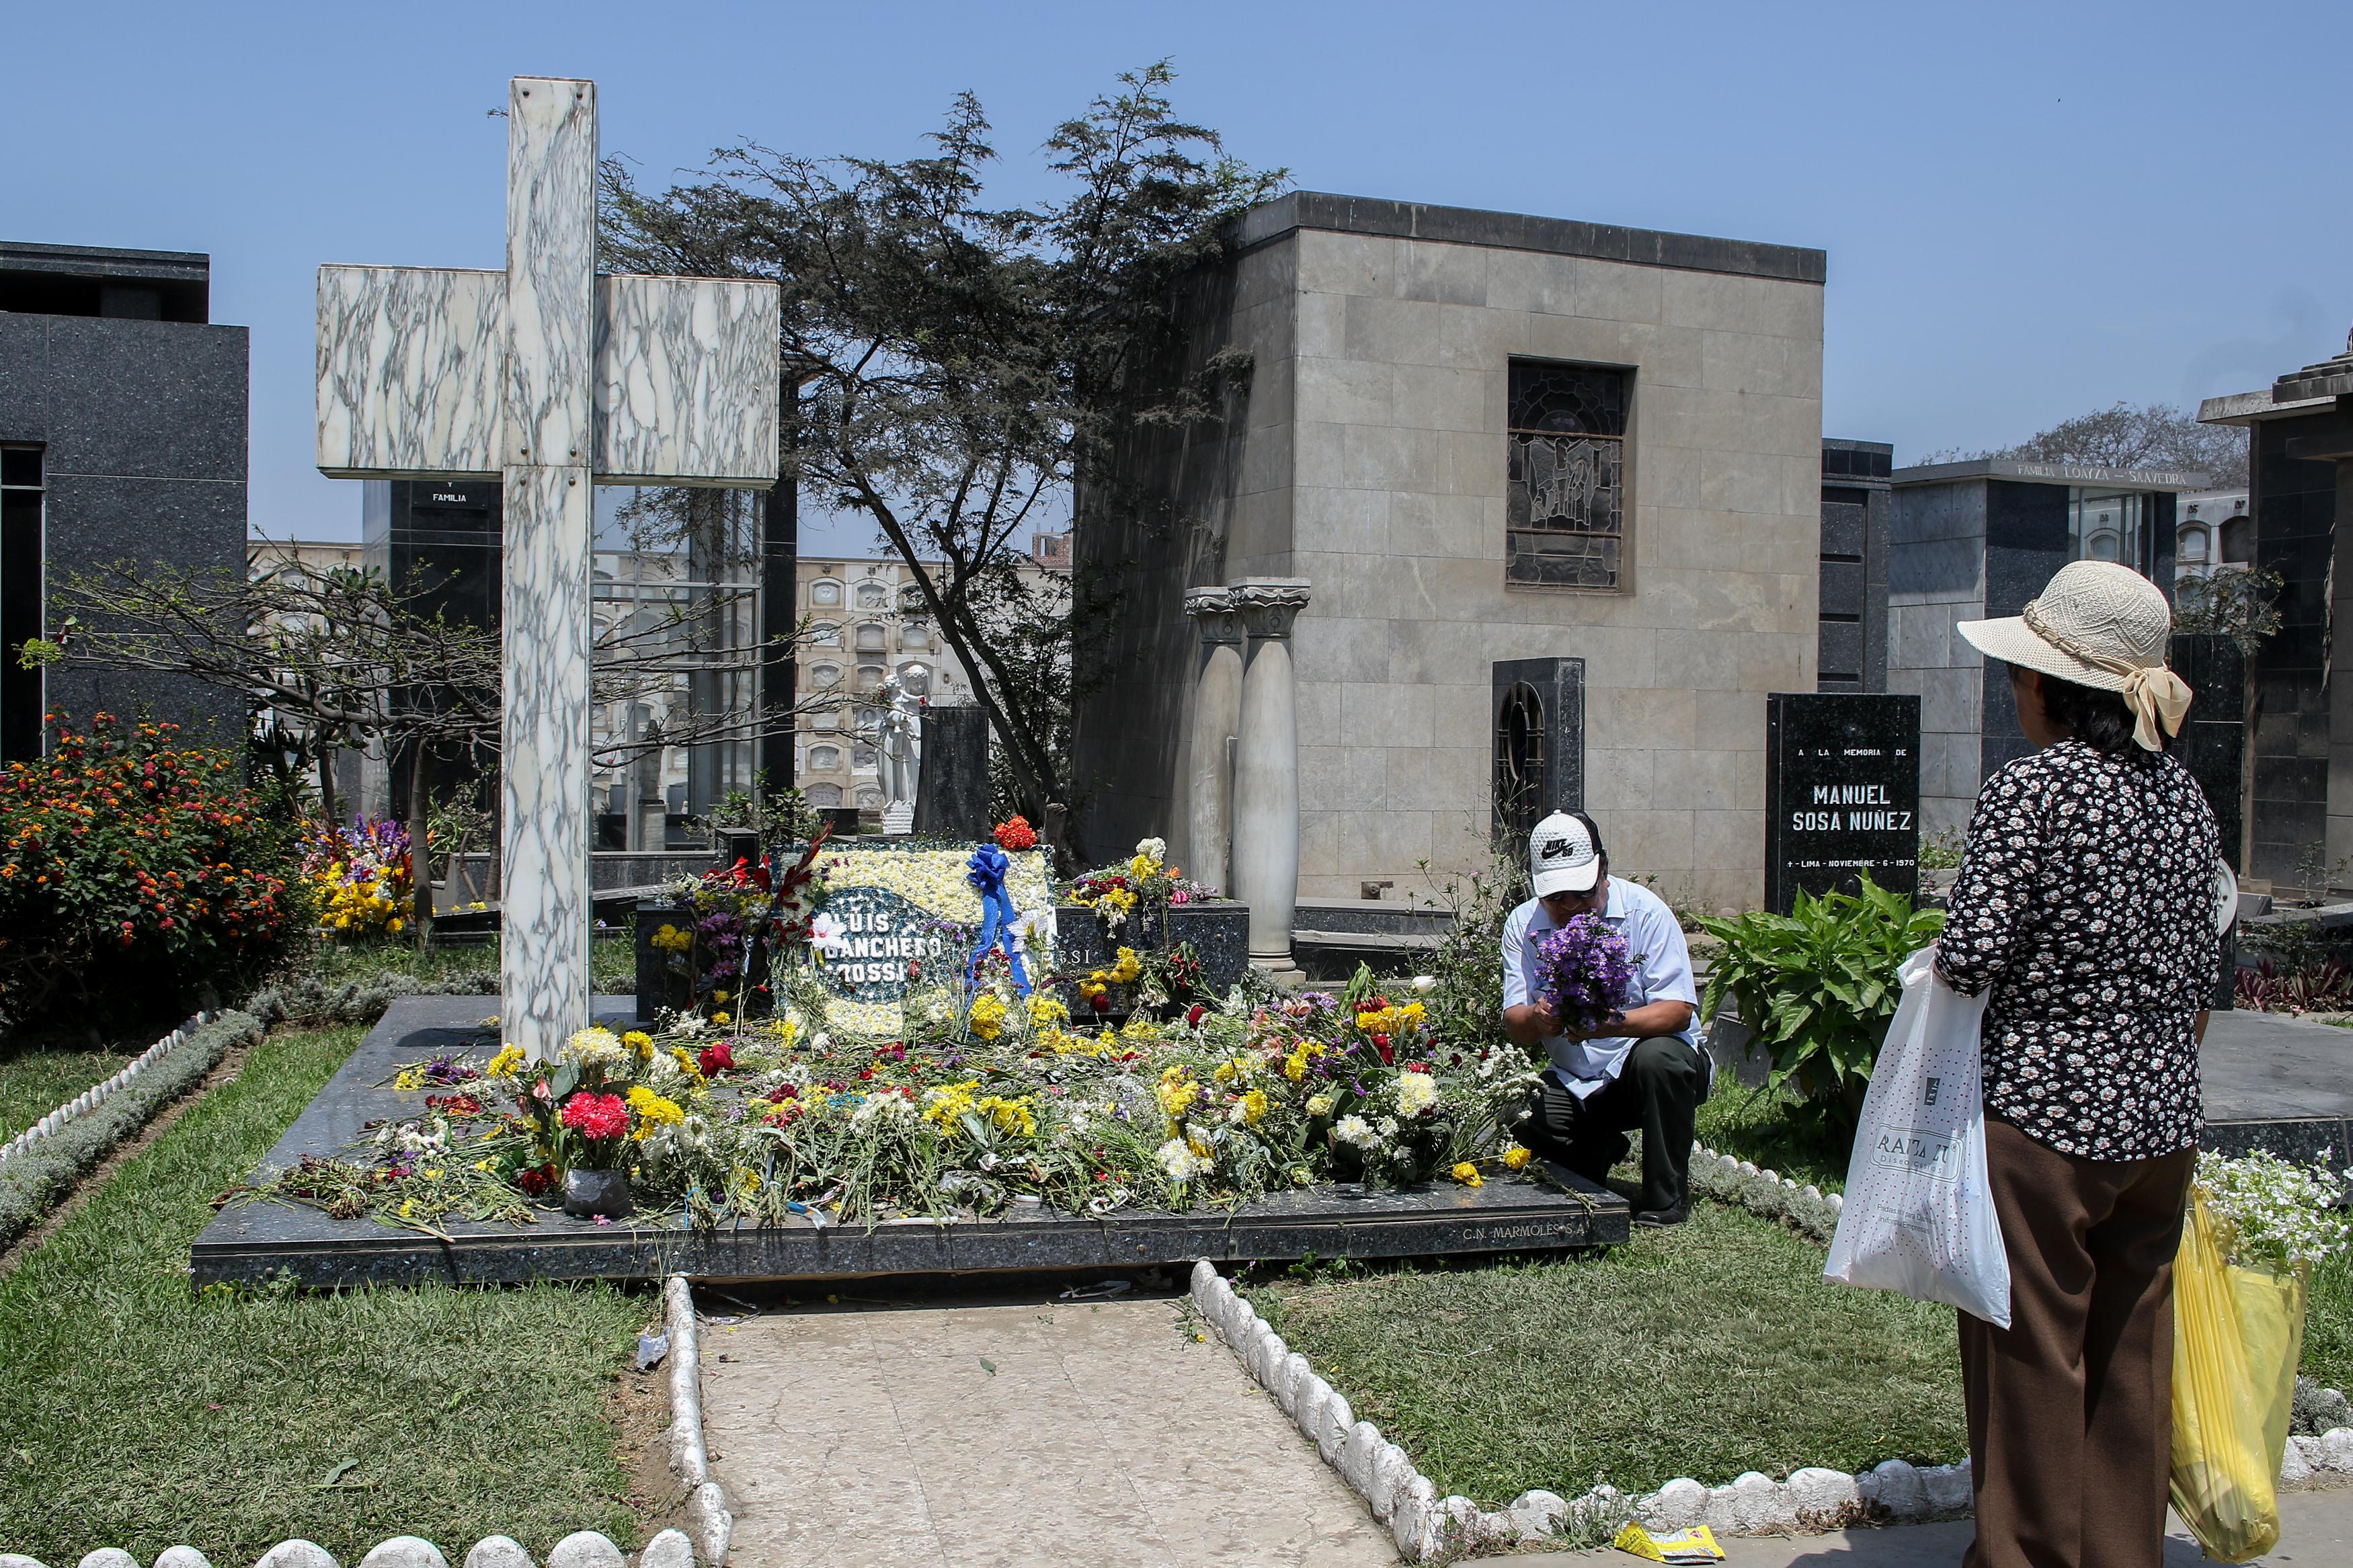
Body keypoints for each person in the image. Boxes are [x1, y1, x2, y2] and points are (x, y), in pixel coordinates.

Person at [1939, 559, 2219, 1568]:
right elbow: (2201, 966)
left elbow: (1970, 955)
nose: (2015, 688)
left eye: (2023, 673)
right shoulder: (2186, 798)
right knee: (2129, 1355)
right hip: (2160, 1122)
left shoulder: (2034, 789)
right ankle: (2120, 1552)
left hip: (2046, 1122)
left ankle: (2026, 1555)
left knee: (2031, 1353)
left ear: (2056, 684)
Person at [1500, 810, 1706, 1224]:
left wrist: (1610, 1025)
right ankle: (1598, 1148)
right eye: (1556, 898)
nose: (1572, 906)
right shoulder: (1523, 925)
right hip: (1578, 1078)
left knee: (1659, 1058)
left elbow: (1679, 1011)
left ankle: (1665, 1197)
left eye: (1582, 893)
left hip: (1645, 1071)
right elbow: (1513, 1020)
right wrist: (1540, 1019)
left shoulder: (1646, 913)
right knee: (1518, 1111)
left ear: (1603, 870)